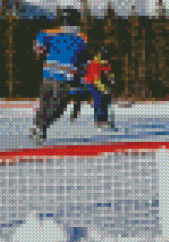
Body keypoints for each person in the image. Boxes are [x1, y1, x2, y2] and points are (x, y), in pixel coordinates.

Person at [30, 8, 88, 144]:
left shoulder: (54, 33)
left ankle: (38, 127)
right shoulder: (81, 38)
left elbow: (40, 38)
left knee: (46, 103)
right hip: (64, 77)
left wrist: (39, 48)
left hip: (48, 74)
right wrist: (80, 79)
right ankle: (40, 126)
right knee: (58, 106)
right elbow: (82, 60)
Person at [77, 46, 116, 128]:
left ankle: (104, 119)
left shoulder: (105, 62)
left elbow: (108, 72)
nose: (107, 60)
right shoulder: (95, 63)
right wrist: (104, 89)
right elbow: (96, 80)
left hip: (98, 82)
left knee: (106, 99)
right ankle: (98, 120)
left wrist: (111, 78)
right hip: (89, 83)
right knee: (99, 96)